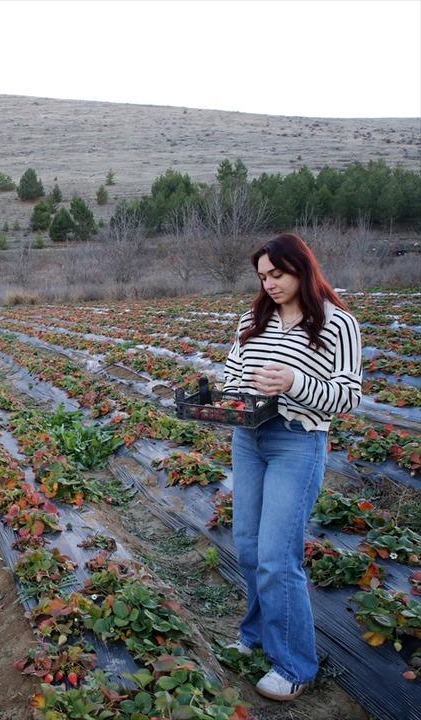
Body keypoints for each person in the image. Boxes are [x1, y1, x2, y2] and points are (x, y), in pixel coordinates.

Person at [222, 233, 362, 701]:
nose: (270, 284)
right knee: (246, 547)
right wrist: (227, 393)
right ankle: (256, 635)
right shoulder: (252, 318)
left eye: (277, 274)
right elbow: (232, 374)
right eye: (263, 276)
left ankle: (295, 665)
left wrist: (294, 382)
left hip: (296, 442)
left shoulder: (337, 325)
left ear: (301, 268)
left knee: (279, 558)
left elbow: (348, 396)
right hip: (249, 437)